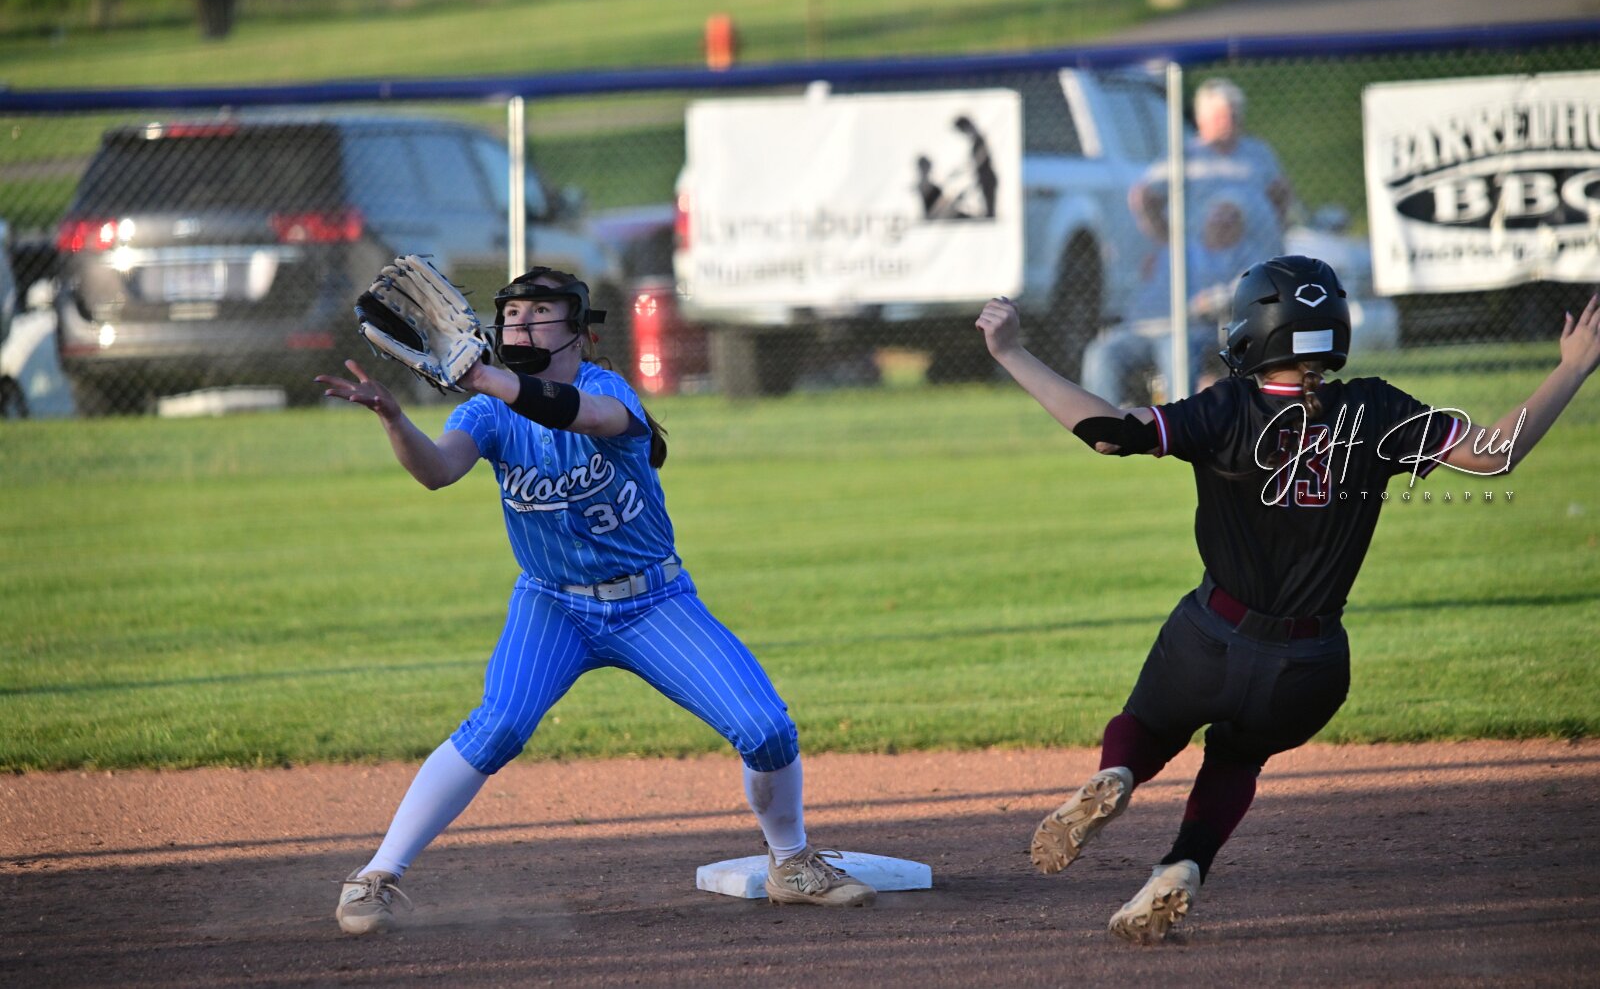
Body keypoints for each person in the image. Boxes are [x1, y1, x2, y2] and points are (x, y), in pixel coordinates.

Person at [975, 256, 1600, 944]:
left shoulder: (1228, 406)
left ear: (1252, 332)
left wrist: (1012, 352)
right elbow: (1494, 454)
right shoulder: (1376, 408)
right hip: (1311, 669)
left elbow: (1110, 431)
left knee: (1148, 726)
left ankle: (1118, 772)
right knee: (1236, 759)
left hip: (1209, 641)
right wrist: (1572, 367)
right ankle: (1183, 864)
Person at [318, 266, 876, 935]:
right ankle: (376, 875)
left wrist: (484, 376)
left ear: (580, 331)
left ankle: (791, 863)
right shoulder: (487, 412)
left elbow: (584, 415)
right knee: (497, 728)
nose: (521, 323)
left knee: (766, 728)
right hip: (552, 605)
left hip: (651, 602)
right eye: (512, 314)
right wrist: (394, 418)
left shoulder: (607, 388)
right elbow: (437, 470)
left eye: (540, 312)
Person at [1084, 78, 1294, 405]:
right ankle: (1103, 422)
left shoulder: (1258, 154)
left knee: (1182, 345)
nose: (1230, 123)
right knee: (1104, 352)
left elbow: (1281, 193)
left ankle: (1179, 419)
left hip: (1230, 287)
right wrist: (1168, 242)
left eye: (1234, 115)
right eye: (1222, 116)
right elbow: (1144, 196)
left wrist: (1272, 235)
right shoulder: (1186, 157)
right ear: (1202, 120)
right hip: (1187, 276)